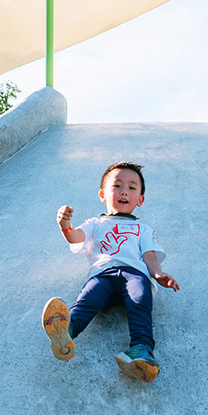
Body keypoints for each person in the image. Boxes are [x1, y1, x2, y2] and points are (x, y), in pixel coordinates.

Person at [42, 161, 179, 382]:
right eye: (117, 186)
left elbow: (149, 256)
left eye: (132, 187)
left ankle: (141, 350)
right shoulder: (95, 223)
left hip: (134, 275)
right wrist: (65, 225)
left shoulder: (142, 229)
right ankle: (66, 332)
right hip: (102, 274)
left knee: (140, 301)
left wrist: (158, 274)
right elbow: (76, 237)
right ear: (102, 195)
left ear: (140, 199)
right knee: (88, 299)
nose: (124, 191)